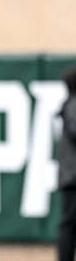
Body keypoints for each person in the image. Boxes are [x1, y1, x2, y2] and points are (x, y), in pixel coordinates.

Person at [57, 66, 76, 261]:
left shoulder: (69, 104)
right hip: (73, 178)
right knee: (69, 225)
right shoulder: (74, 105)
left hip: (70, 176)